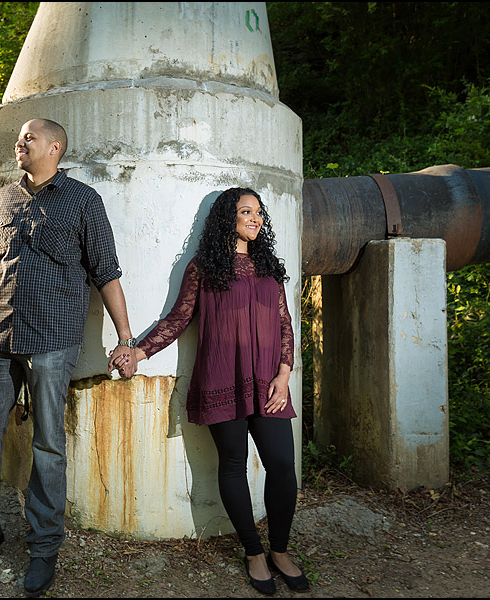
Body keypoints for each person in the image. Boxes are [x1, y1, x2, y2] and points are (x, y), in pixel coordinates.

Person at [0, 118, 138, 597]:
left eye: (29, 138)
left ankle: (44, 548)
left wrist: (125, 338)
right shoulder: (2, 200)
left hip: (53, 340)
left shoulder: (84, 201)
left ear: (55, 147)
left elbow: (106, 273)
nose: (19, 143)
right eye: (18, 138)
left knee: (48, 446)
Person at [115, 187, 309, 595]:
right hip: (222, 378)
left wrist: (285, 372)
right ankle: (253, 552)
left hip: (270, 383)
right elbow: (178, 319)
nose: (256, 219)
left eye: (259, 212)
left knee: (283, 466)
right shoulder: (204, 268)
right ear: (228, 218)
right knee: (233, 465)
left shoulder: (268, 267)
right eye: (246, 212)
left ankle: (280, 549)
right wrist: (138, 353)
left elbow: (286, 324)